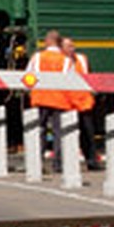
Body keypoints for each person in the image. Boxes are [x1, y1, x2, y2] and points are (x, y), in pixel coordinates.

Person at [26, 29, 72, 171]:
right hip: (60, 100)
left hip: (40, 99)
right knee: (59, 133)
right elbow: (71, 81)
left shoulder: (37, 57)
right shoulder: (66, 61)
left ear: (49, 41)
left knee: (39, 130)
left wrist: (31, 91)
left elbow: (28, 77)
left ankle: (36, 163)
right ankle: (58, 164)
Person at [62, 36, 100, 169]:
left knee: (88, 133)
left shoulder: (82, 59)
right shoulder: (61, 61)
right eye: (68, 46)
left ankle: (92, 161)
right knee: (68, 134)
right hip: (67, 103)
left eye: (72, 46)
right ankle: (68, 163)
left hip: (84, 102)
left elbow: (89, 75)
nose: (72, 49)